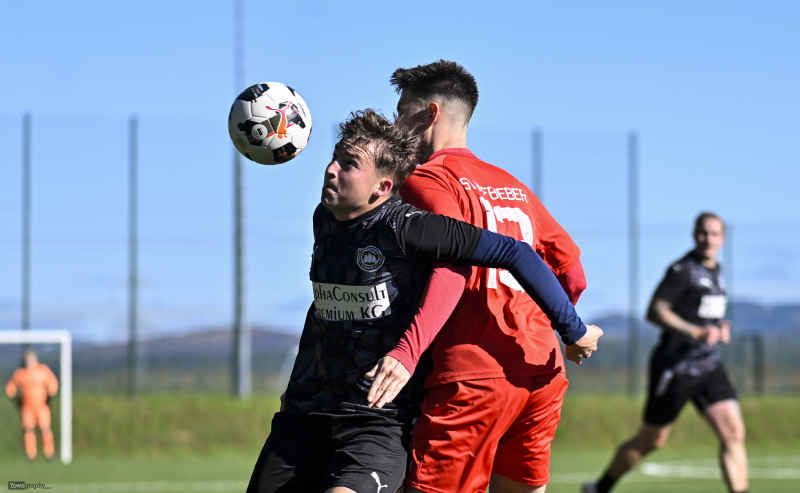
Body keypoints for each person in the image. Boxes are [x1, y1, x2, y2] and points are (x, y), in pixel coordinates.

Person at [247, 109, 597, 493]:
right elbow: (327, 306)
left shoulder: (407, 227)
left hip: (375, 422)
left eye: (349, 164)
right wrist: (302, 378)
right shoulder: (325, 218)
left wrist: (572, 330)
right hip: (304, 414)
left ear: (382, 187)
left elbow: (515, 253)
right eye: (334, 158)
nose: (331, 170)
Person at [366, 59, 603, 493]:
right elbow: (573, 273)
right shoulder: (513, 185)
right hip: (541, 368)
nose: (396, 125)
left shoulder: (424, 179)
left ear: (430, 114)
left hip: (474, 373)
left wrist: (408, 351)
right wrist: (563, 328)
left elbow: (451, 264)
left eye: (402, 112)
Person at [583, 212, 747, 493]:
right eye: (703, 233)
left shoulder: (716, 272)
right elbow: (655, 311)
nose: (708, 239)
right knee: (652, 440)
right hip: (676, 368)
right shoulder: (682, 271)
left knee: (733, 433)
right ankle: (600, 488)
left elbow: (704, 314)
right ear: (694, 235)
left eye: (714, 234)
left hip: (708, 365)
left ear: (723, 238)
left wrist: (719, 328)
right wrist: (695, 332)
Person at [5, 349, 59, 460]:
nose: (29, 361)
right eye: (27, 359)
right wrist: (17, 400)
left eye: (31, 359)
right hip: (27, 407)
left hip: (41, 406)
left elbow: (53, 384)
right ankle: (31, 455)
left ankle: (49, 453)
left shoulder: (43, 370)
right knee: (28, 430)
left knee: (45, 429)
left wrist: (49, 398)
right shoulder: (20, 373)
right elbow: (10, 388)